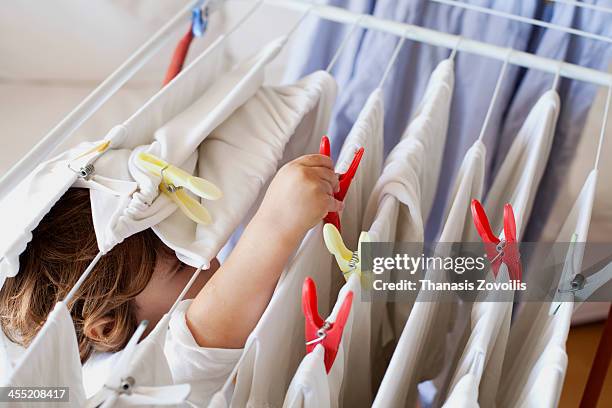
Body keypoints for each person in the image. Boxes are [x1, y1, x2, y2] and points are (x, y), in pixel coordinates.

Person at [0, 153, 342, 399]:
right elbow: (200, 335)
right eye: (180, 264)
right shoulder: (143, 377)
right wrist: (277, 219)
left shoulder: (90, 353)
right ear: (105, 326)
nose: (204, 258)